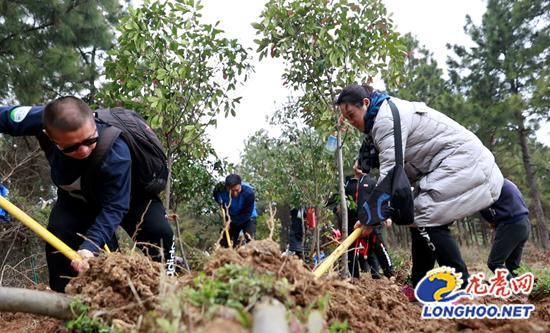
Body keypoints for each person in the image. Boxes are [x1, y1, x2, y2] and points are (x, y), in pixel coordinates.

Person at [336, 84, 503, 292]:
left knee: (425, 213)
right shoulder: (382, 115)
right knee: (420, 214)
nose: (352, 122)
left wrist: (370, 217)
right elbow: (404, 169)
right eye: (347, 119)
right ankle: (418, 286)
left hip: (468, 163)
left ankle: (462, 288)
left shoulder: (385, 119)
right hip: (453, 165)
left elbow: (391, 175)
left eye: (352, 115)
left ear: (365, 104)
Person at [0, 97, 175, 292]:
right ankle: (64, 305)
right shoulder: (42, 119)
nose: (83, 150)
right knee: (61, 236)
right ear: (49, 135)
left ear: (93, 120)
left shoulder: (116, 153)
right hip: (78, 199)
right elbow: (4, 117)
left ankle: (174, 286)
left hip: (129, 195)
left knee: (159, 234)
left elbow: (115, 207)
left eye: (89, 140)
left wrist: (89, 246)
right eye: (71, 147)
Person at [480, 178, 530, 279]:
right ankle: (521, 290)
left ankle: (513, 289)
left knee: (494, 262)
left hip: (510, 224)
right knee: (513, 266)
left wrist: (492, 221)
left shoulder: (486, 185)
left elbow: (482, 207)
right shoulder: (504, 182)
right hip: (524, 223)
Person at [213, 173, 257, 248]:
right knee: (226, 243)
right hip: (231, 216)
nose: (234, 193)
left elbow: (247, 214)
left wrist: (231, 222)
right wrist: (220, 202)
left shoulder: (249, 193)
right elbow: (217, 197)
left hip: (248, 217)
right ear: (227, 188)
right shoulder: (219, 190)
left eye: (237, 190)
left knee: (250, 240)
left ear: (240, 185)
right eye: (231, 191)